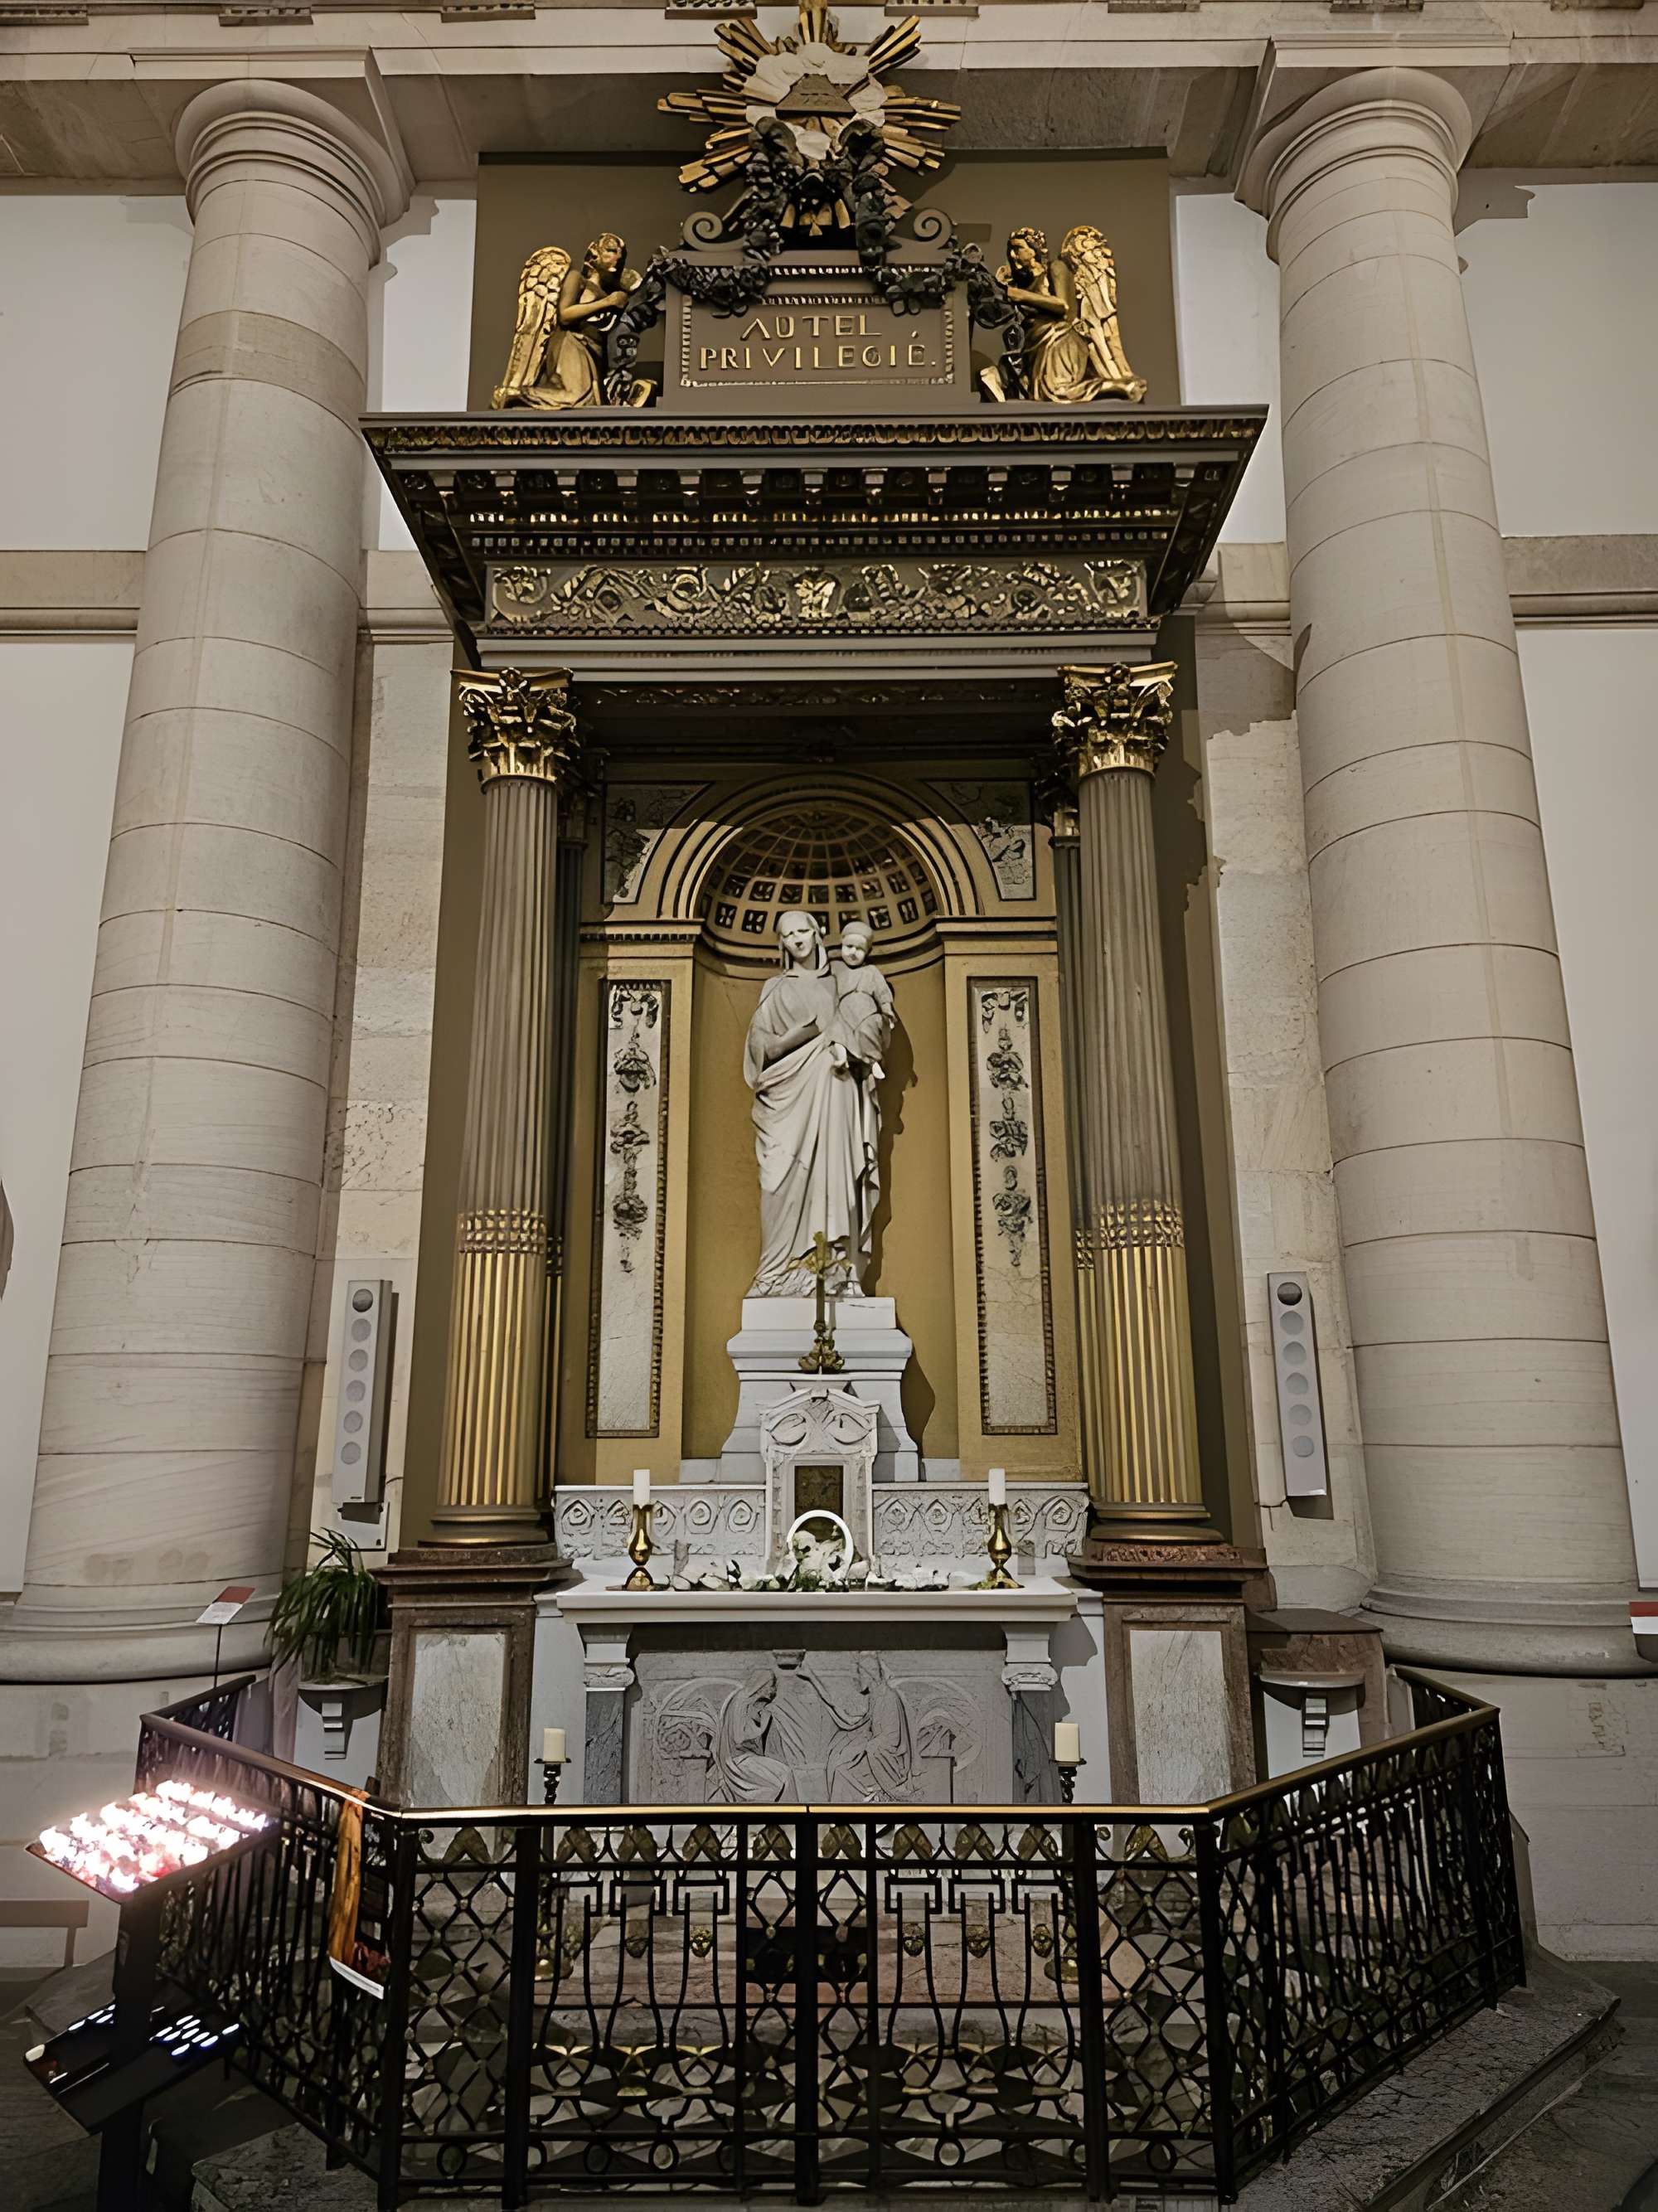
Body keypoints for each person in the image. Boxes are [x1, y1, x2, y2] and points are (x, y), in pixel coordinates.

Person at [742, 910, 885, 1298]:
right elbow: (762, 1051)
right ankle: (776, 1272)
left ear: (819, 932)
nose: (798, 940)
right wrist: (804, 1036)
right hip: (786, 1101)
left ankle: (836, 1270)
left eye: (803, 930)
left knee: (835, 1176)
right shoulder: (774, 988)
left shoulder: (842, 981)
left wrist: (851, 1042)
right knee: (778, 1181)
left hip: (835, 1092)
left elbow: (872, 1023)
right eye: (788, 935)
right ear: (781, 943)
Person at [828, 919, 894, 1084]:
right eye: (849, 947)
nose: (853, 952)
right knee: (836, 1030)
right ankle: (842, 1058)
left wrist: (887, 1011)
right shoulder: (835, 969)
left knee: (867, 1031)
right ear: (841, 946)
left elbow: (882, 992)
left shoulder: (871, 972)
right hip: (843, 1011)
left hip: (866, 1011)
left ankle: (873, 1061)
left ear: (867, 952)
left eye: (859, 949)